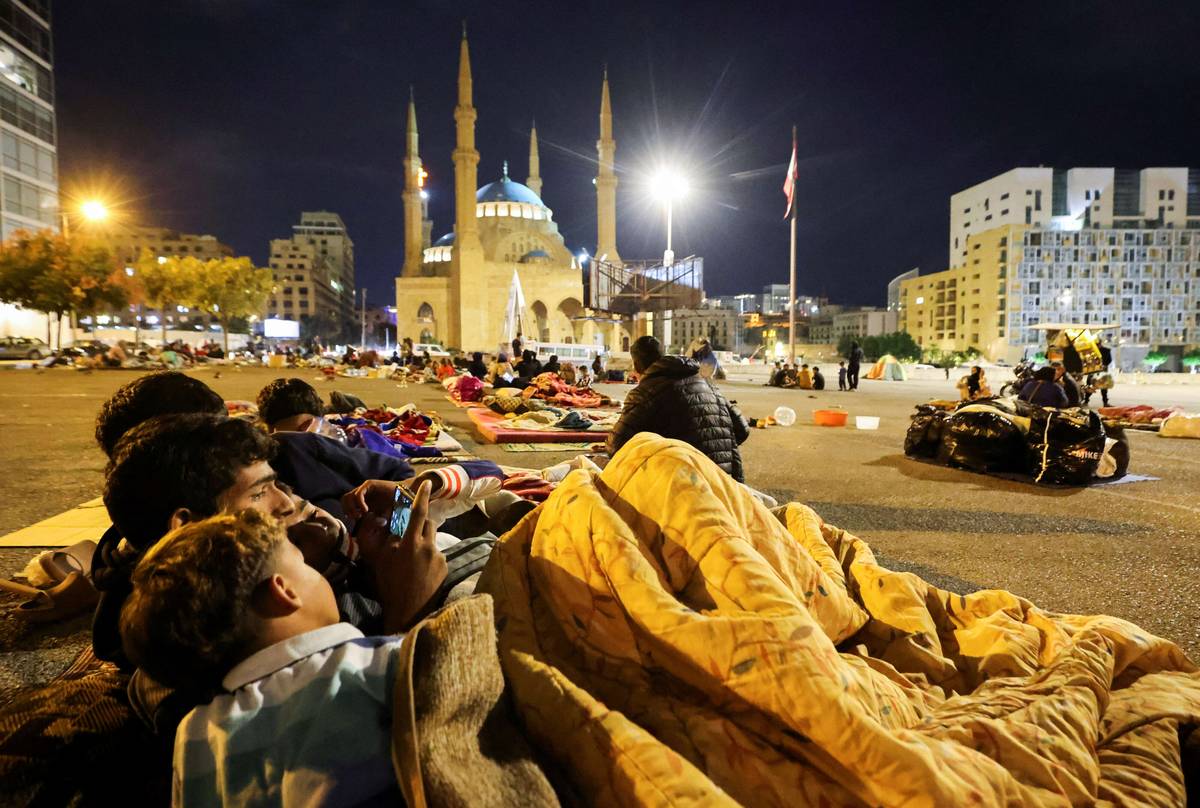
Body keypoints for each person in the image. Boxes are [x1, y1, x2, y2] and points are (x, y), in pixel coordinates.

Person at [119, 493, 443, 805]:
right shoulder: (376, 664)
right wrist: (416, 621)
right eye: (303, 564)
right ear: (283, 592)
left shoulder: (195, 733)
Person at [608, 336, 750, 482]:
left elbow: (615, 446)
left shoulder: (644, 393)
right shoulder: (706, 383)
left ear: (637, 366)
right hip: (726, 484)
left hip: (685, 486)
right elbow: (742, 430)